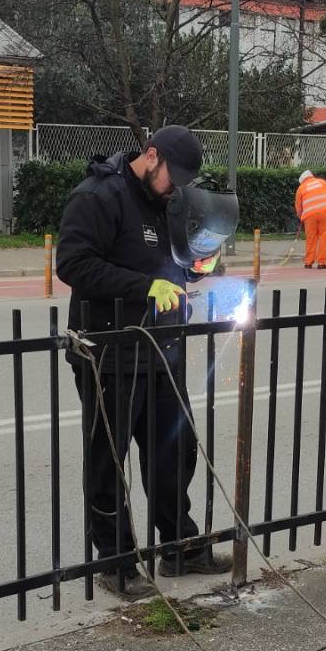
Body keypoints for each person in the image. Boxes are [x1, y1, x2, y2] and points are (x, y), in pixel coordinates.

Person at [56, 126, 231, 598]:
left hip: (161, 349)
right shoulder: (98, 196)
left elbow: (171, 260)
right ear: (151, 156)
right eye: (173, 177)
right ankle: (116, 562)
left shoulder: (166, 202)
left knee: (175, 451)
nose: (177, 189)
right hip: (109, 353)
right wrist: (142, 287)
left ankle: (178, 547)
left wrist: (198, 265)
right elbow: (72, 264)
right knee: (109, 460)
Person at [294, 169, 326, 269]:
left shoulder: (301, 188)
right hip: (325, 212)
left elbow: (298, 206)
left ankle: (308, 262)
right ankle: (322, 263)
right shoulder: (322, 182)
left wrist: (300, 216)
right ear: (311, 176)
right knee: (323, 237)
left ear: (302, 180)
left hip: (310, 216)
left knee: (311, 239)